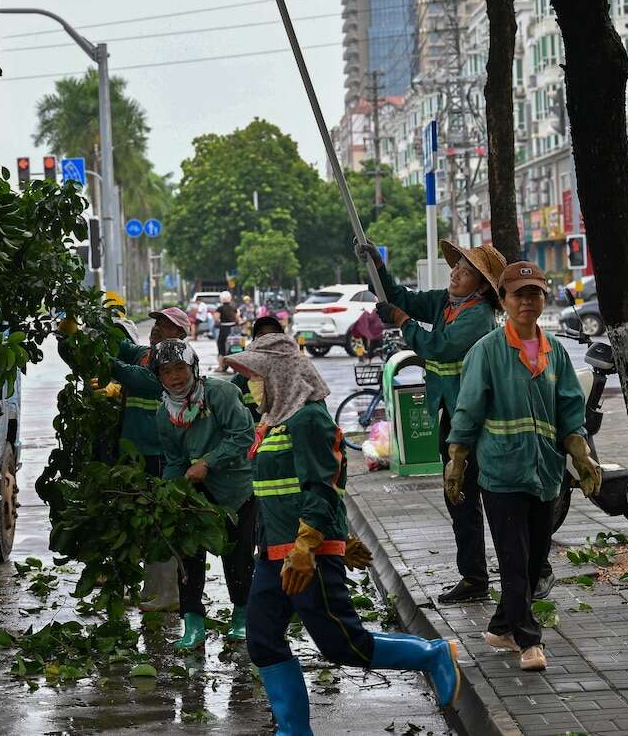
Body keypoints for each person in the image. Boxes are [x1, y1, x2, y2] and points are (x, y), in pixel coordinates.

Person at [222, 334, 459, 735]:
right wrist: (339, 536)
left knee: (343, 645)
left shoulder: (309, 418)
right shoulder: (273, 420)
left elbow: (324, 484)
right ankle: (294, 730)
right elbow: (280, 494)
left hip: (305, 553)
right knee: (262, 640)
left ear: (278, 376)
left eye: (255, 375)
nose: (250, 384)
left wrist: (313, 543)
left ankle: (432, 654)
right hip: (275, 554)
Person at [446, 262, 600, 672]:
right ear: (504, 300)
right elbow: (467, 409)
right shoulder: (487, 351)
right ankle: (530, 641)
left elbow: (570, 409)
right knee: (514, 560)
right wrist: (457, 460)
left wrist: (580, 452)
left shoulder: (555, 353)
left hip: (545, 473)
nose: (527, 302)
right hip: (499, 472)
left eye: (534, 294)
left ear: (544, 299)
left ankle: (501, 625)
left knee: (535, 561)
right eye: (518, 294)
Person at [356, 238, 503, 604]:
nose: (455, 273)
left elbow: (436, 347)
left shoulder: (477, 315)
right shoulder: (446, 303)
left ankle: (497, 575)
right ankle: (474, 576)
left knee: (476, 497)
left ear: (482, 286)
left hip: (474, 418)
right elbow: (403, 297)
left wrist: (402, 321)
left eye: (466, 271)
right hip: (450, 413)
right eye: (456, 267)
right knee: (458, 498)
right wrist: (377, 264)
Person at [150, 339, 257, 649]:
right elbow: (174, 461)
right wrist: (169, 493)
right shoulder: (164, 414)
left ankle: (242, 615)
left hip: (236, 490)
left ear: (193, 368)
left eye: (180, 368)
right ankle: (193, 622)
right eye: (166, 371)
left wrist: (208, 463)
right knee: (188, 557)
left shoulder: (220, 394)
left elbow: (243, 436)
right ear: (160, 377)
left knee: (237, 556)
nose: (175, 377)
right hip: (195, 496)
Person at [107, 306, 195, 612]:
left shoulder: (175, 364)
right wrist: (100, 325)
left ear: (181, 335)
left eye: (166, 325)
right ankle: (153, 591)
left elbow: (129, 374)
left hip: (161, 455)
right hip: (136, 453)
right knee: (144, 523)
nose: (157, 327)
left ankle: (169, 594)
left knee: (161, 524)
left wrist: (102, 359)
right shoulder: (147, 354)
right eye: (157, 322)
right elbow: (123, 347)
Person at [234, 315, 284, 421]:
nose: (267, 340)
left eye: (272, 335)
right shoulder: (239, 381)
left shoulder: (298, 377)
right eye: (261, 335)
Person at [216, 291, 239, 368]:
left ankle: (221, 366)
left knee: (221, 346)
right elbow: (237, 319)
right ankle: (235, 367)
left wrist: (220, 322)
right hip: (233, 329)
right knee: (234, 346)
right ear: (230, 298)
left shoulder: (220, 309)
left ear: (221, 299)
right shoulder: (234, 308)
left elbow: (216, 319)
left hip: (223, 328)